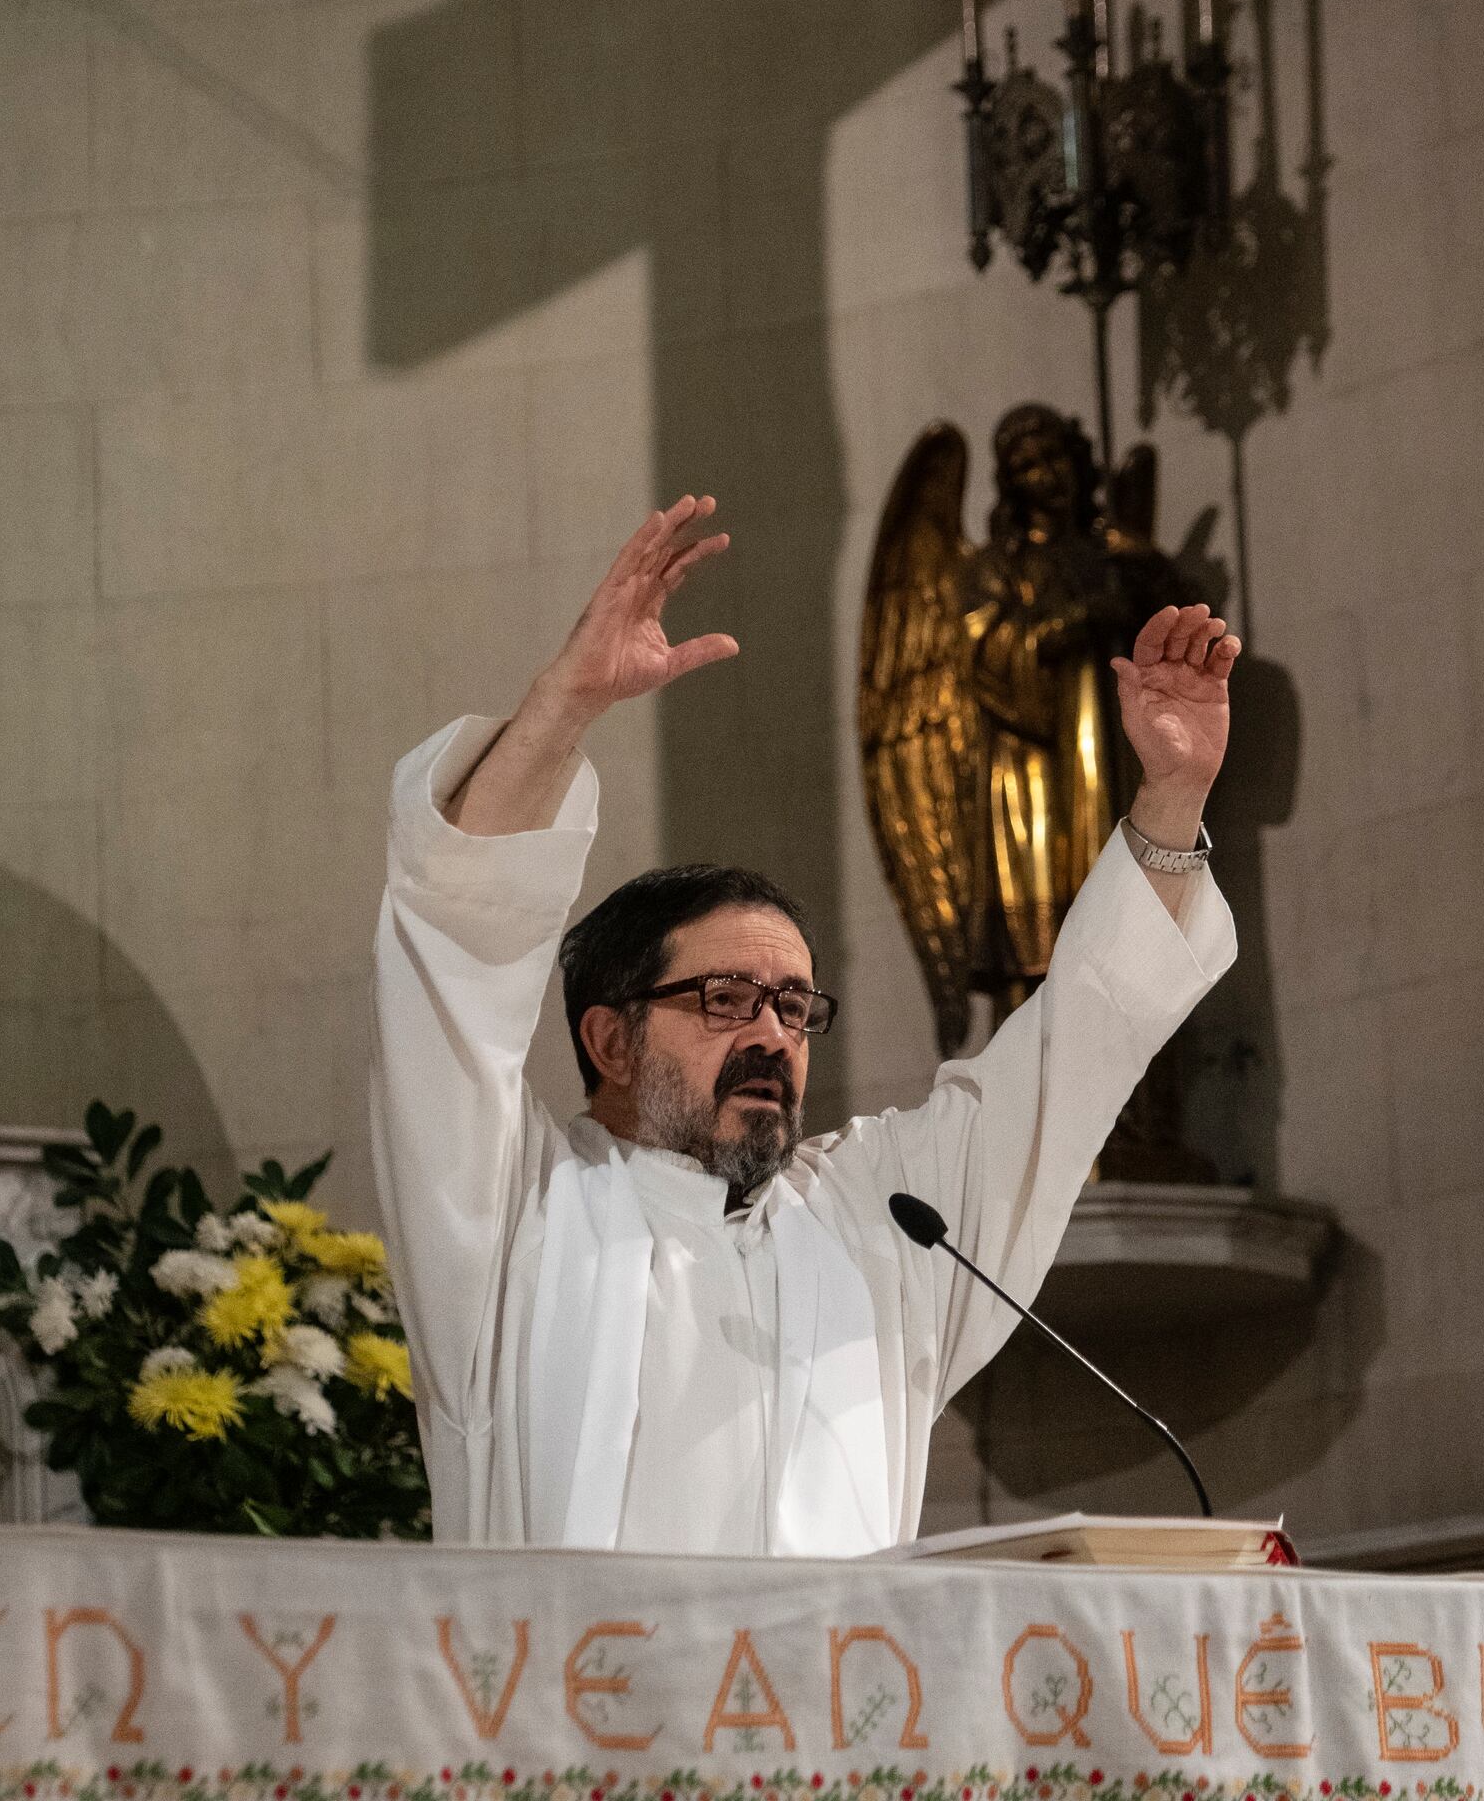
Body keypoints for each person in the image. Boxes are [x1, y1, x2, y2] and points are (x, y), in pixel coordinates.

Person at [370, 494, 1239, 1556]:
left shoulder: (888, 1223)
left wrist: (1172, 798)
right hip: (579, 1719)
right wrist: (566, 705)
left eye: (792, 1006)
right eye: (724, 1000)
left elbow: (1081, 1045)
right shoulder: (510, 1216)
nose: (772, 1036)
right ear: (608, 1041)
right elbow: (454, 954)